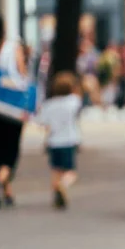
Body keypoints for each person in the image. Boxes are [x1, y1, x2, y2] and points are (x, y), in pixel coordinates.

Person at [0, 16, 30, 208]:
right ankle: (1, 178)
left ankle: (6, 191)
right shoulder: (12, 47)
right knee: (11, 150)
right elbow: (22, 74)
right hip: (13, 107)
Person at [36, 72, 82, 210]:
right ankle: (63, 185)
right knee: (70, 172)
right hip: (68, 140)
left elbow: (43, 123)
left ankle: (56, 195)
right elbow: (79, 98)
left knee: (55, 170)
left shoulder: (49, 104)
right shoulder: (73, 101)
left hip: (53, 141)